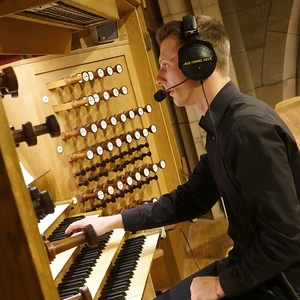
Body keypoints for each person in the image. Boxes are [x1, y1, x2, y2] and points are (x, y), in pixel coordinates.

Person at [65, 14, 300, 300]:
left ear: (198, 63)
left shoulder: (246, 129)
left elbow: (287, 239)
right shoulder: (224, 128)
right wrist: (112, 221)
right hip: (255, 263)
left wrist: (220, 285)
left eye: (165, 65)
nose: (158, 77)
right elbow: (190, 199)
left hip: (283, 278)